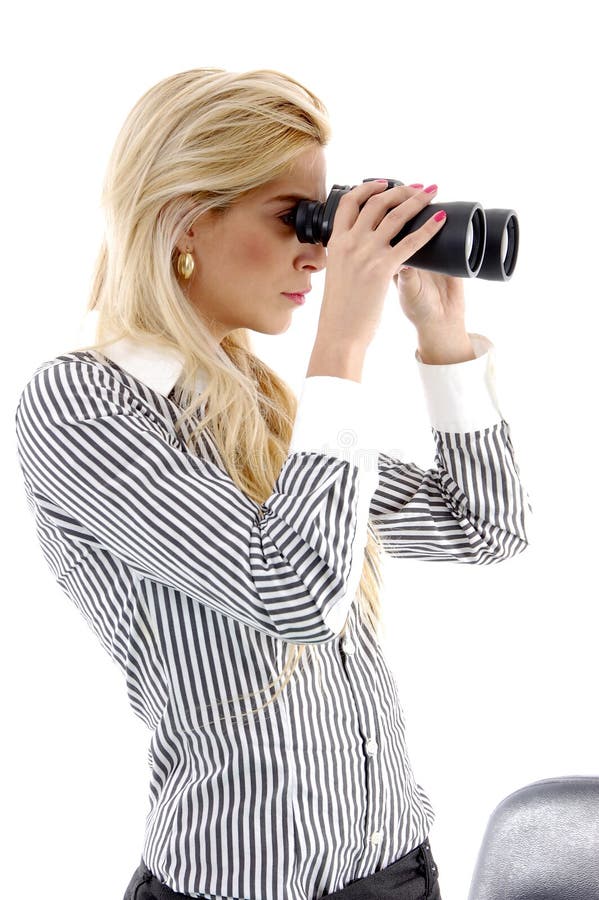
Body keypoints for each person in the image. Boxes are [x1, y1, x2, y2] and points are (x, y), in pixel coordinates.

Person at [14, 67, 531, 900]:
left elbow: (482, 527)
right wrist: (343, 344)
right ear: (187, 218)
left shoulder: (264, 408)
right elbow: (290, 588)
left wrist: (441, 334)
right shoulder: (82, 402)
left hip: (399, 871)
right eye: (298, 218)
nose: (320, 253)